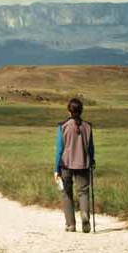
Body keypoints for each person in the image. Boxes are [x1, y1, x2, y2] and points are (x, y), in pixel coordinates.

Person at [54, 98, 95, 233]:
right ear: (81, 110)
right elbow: (90, 148)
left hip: (66, 164)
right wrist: (92, 160)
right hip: (83, 164)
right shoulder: (88, 126)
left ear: (69, 110)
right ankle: (84, 214)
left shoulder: (63, 125)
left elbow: (60, 149)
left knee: (66, 193)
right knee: (83, 192)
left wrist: (56, 169)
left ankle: (70, 224)